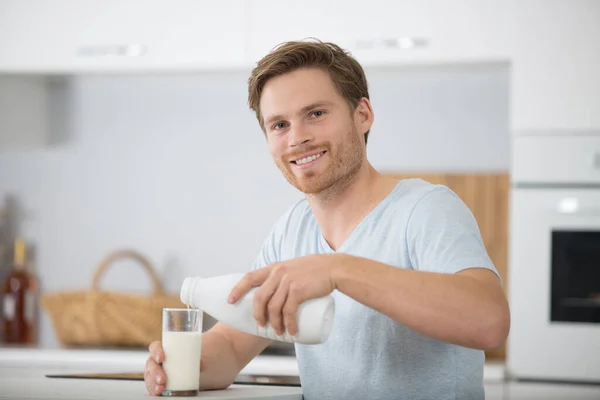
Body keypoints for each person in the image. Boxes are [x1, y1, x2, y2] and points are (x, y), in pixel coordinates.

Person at [145, 39, 511, 399]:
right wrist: (179, 364)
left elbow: (489, 322)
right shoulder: (291, 230)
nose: (297, 138)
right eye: (279, 125)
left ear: (362, 114)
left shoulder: (425, 209)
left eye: (316, 114)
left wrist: (338, 270)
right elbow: (233, 344)